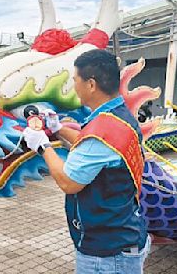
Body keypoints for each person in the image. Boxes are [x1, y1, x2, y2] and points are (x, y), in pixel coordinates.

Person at [23, 49, 150, 274]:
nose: (74, 87)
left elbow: (69, 182)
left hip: (107, 254)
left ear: (91, 84)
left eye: (75, 81)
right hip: (124, 234)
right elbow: (93, 145)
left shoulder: (103, 129)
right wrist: (58, 129)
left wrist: (42, 145)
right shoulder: (120, 117)